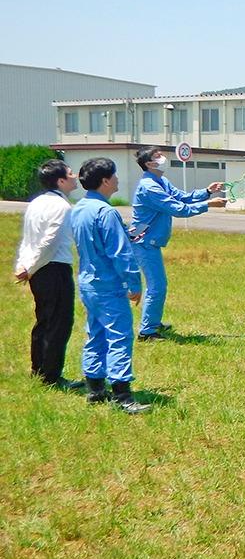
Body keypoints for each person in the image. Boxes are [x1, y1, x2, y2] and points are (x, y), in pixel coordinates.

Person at [71, 158, 150, 413]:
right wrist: (134, 283)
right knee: (119, 337)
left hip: (88, 282)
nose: (118, 179)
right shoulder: (107, 212)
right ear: (105, 181)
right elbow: (120, 254)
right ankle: (122, 395)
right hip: (108, 286)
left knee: (95, 333)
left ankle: (95, 388)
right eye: (114, 176)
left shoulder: (80, 208)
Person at [130, 146, 226, 341]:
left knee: (158, 285)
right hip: (143, 242)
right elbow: (178, 208)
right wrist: (207, 204)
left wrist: (207, 192)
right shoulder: (150, 187)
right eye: (158, 156)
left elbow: (182, 197)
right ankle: (147, 331)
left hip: (150, 241)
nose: (163, 158)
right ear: (149, 164)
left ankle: (153, 323)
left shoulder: (160, 181)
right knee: (157, 286)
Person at [13, 159, 83, 389]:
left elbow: (28, 239)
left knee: (44, 319)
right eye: (70, 173)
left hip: (37, 268)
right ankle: (52, 376)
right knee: (59, 322)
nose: (75, 176)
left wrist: (24, 265)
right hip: (52, 267)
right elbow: (48, 242)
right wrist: (30, 267)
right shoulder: (61, 207)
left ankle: (39, 370)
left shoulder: (36, 203)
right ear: (61, 180)